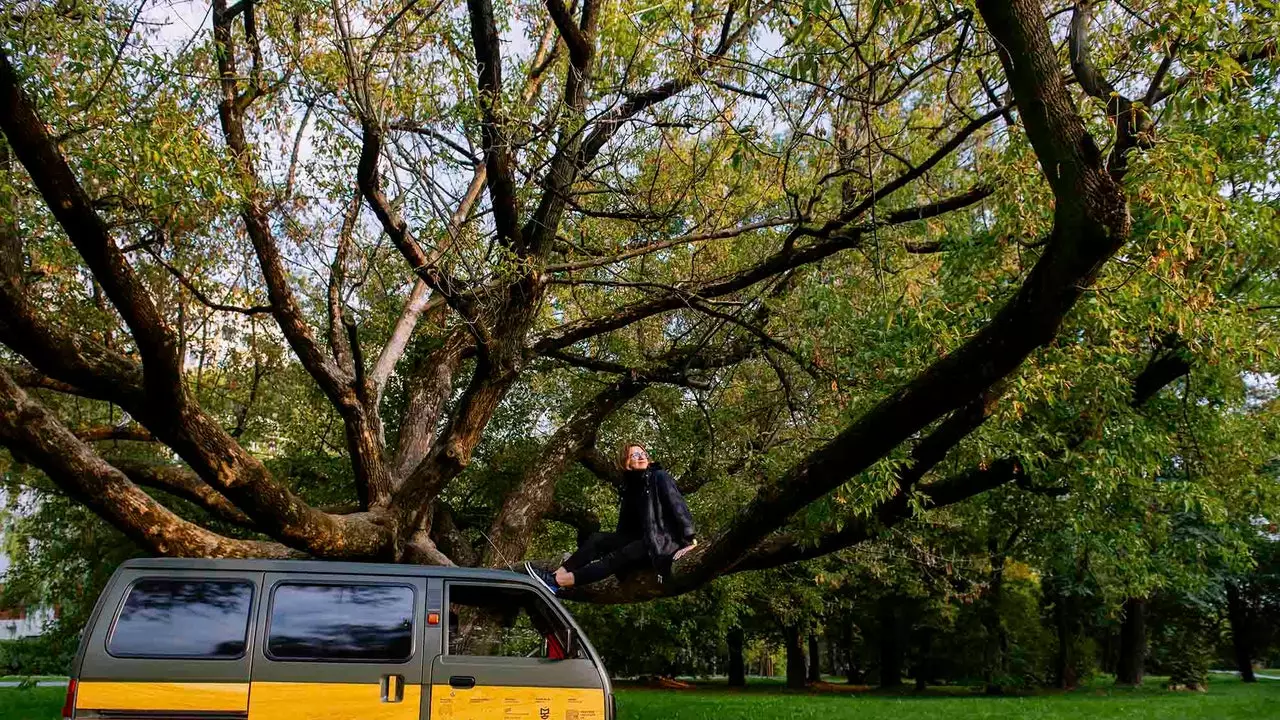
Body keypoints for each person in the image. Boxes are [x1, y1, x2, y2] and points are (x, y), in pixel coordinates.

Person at [526, 443, 697, 594]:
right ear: (626, 464)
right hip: (641, 540)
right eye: (635, 455)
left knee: (617, 557)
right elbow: (624, 529)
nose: (641, 457)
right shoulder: (630, 489)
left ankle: (558, 582)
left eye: (643, 454)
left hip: (661, 542)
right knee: (597, 539)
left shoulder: (659, 476)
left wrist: (689, 540)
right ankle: (555, 576)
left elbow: (678, 506)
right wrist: (614, 546)